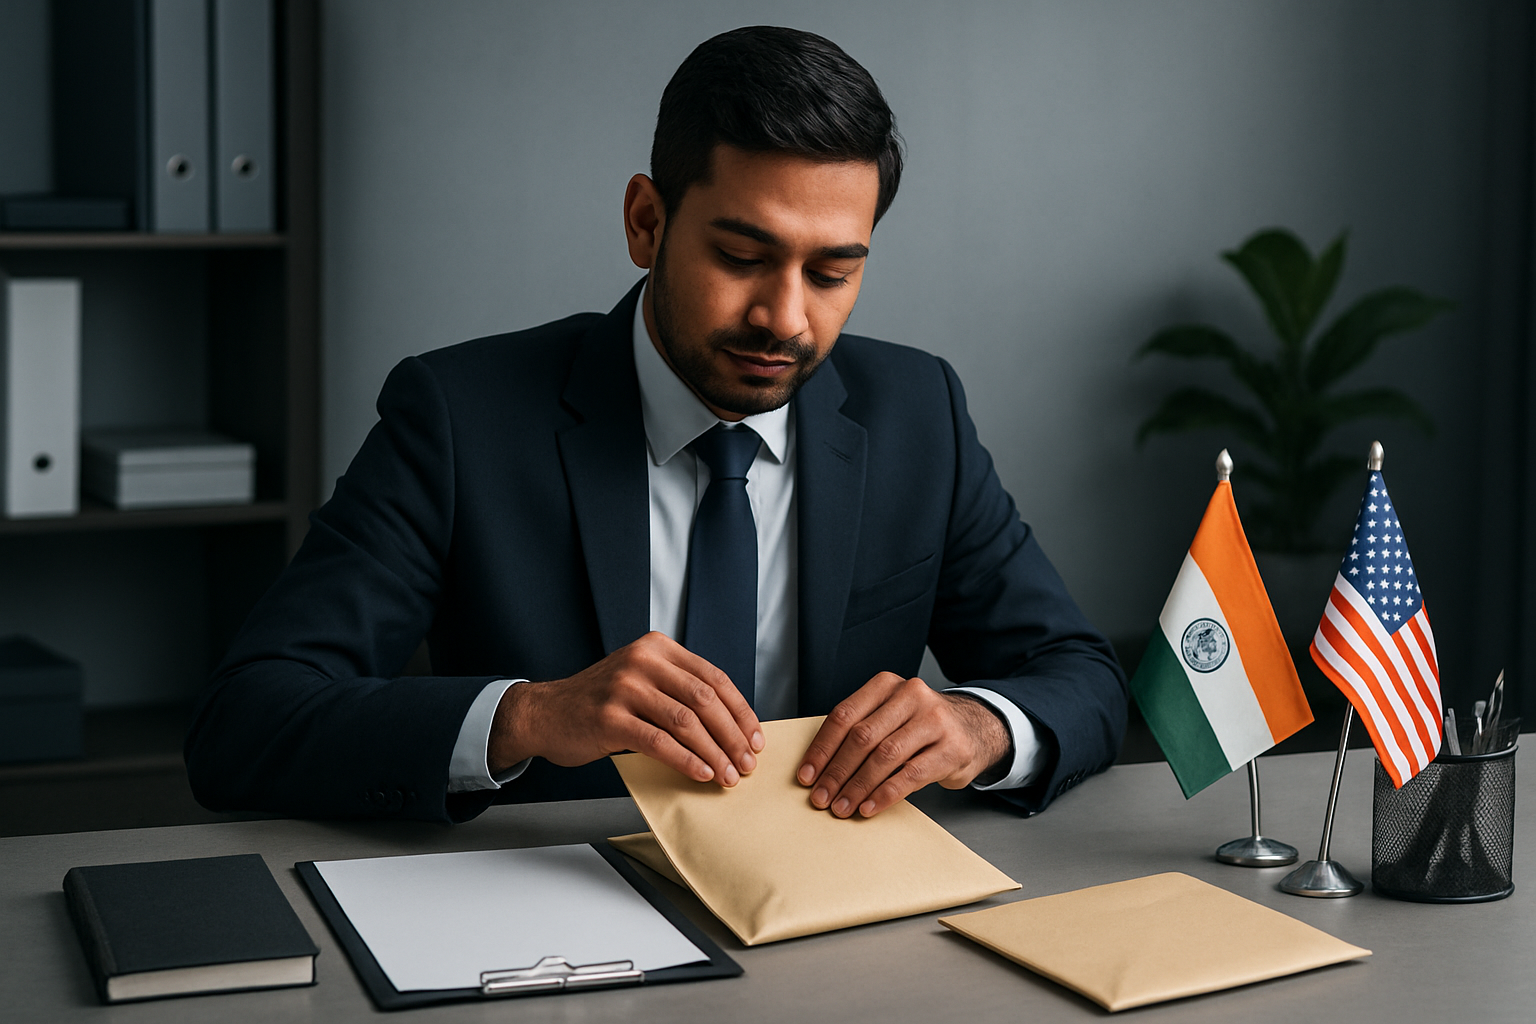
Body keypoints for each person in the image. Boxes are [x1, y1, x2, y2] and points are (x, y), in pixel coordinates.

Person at [185, 26, 1127, 825]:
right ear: (646, 221)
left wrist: (982, 727)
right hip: (558, 928)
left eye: (832, 273)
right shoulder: (457, 416)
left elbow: (1080, 675)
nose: (786, 318)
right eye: (742, 255)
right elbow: (246, 723)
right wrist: (528, 716)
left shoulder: (920, 412)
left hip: (835, 928)